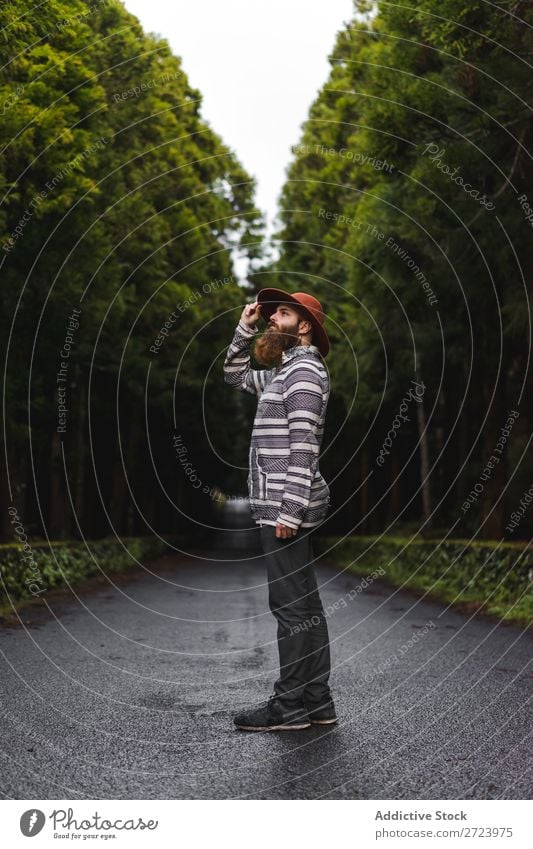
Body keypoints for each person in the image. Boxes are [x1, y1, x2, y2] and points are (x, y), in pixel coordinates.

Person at [223, 288, 336, 731]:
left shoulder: (304, 372)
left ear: (304, 326)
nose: (273, 319)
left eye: (282, 313)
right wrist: (243, 327)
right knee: (305, 605)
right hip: (280, 504)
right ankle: (317, 701)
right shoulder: (282, 374)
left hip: (284, 508)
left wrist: (289, 511)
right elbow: (233, 376)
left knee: (290, 608)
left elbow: (303, 447)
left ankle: (289, 707)